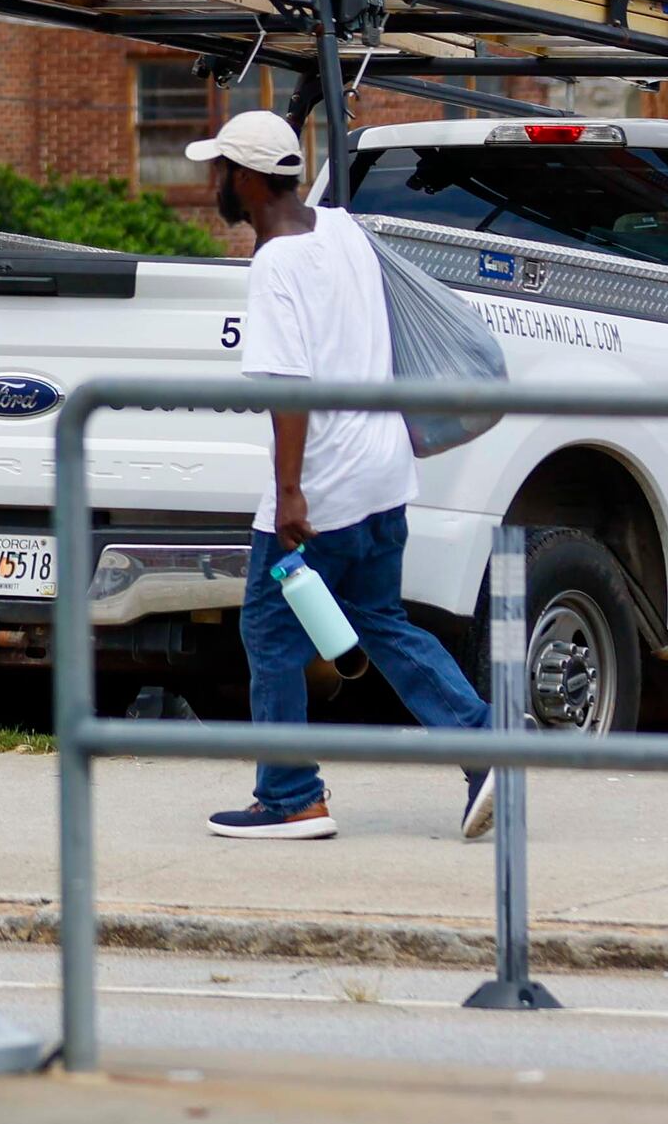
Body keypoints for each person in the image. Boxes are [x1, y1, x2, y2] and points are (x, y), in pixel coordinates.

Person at [187, 108, 497, 842]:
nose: (214, 183)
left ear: (253, 180)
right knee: (381, 620)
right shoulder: (343, 229)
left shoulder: (277, 266)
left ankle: (291, 794)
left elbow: (287, 389)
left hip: (321, 487)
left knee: (268, 633)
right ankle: (487, 747)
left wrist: (291, 493)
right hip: (383, 474)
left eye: (223, 169)